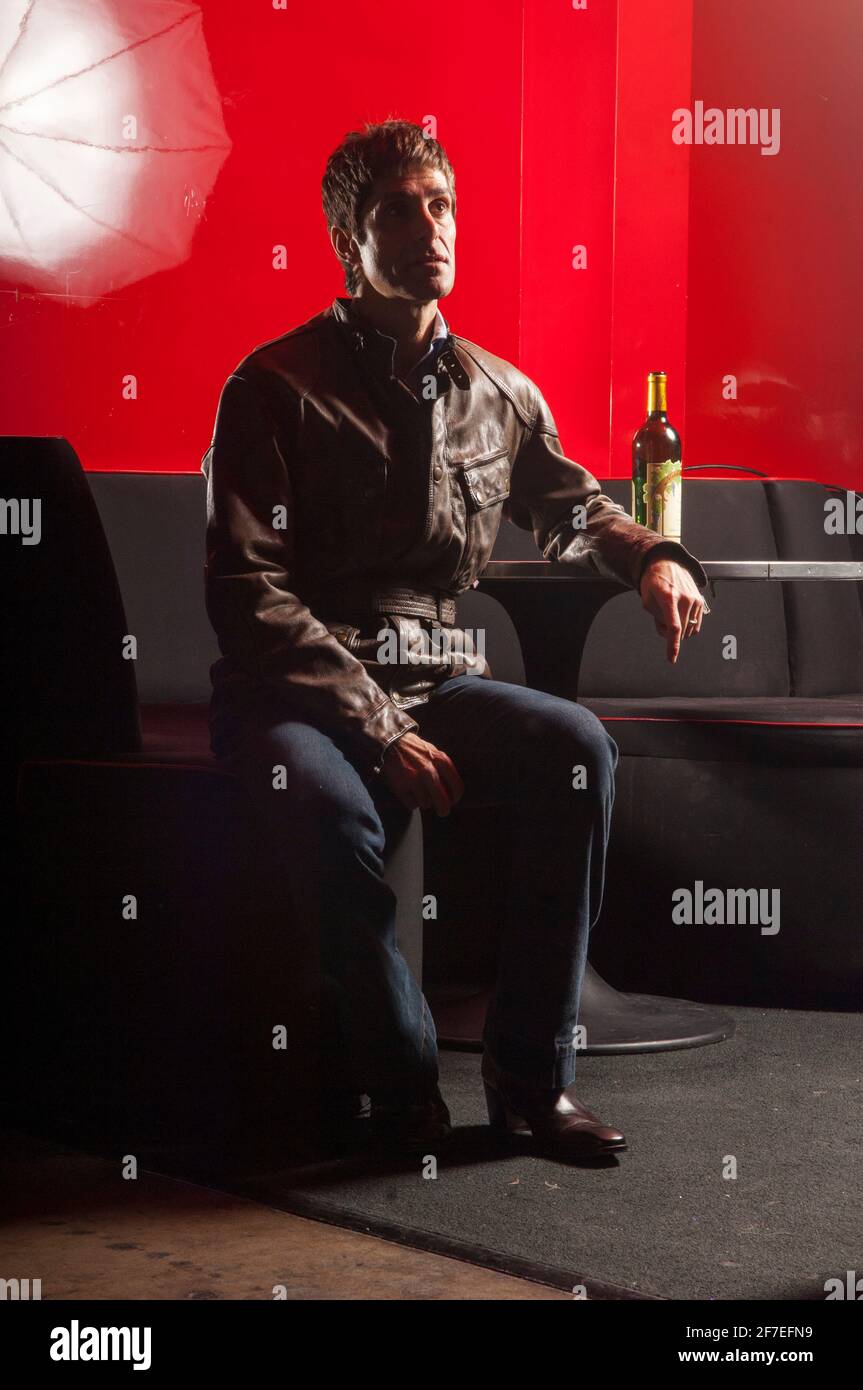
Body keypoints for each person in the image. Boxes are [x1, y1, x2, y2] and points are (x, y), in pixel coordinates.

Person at [201, 119, 709, 1160]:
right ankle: (400, 1087)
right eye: (398, 207)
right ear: (349, 236)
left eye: (439, 204)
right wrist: (377, 726)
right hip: (293, 693)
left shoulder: (497, 392)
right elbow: (246, 593)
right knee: (336, 811)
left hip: (432, 679)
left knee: (577, 748)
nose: (427, 225)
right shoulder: (270, 387)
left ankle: (529, 1081)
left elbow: (573, 509)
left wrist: (656, 554)